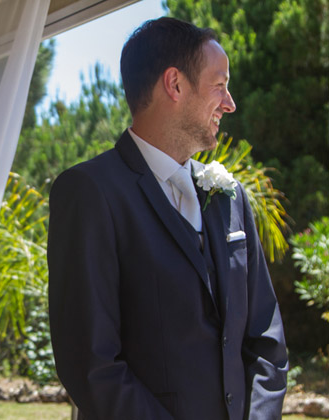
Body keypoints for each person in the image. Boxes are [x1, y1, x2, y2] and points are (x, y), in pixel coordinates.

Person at [48, 17, 288, 420]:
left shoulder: (229, 197)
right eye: (219, 85)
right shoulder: (90, 192)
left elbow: (266, 336)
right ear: (174, 84)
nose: (230, 103)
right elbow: (93, 366)